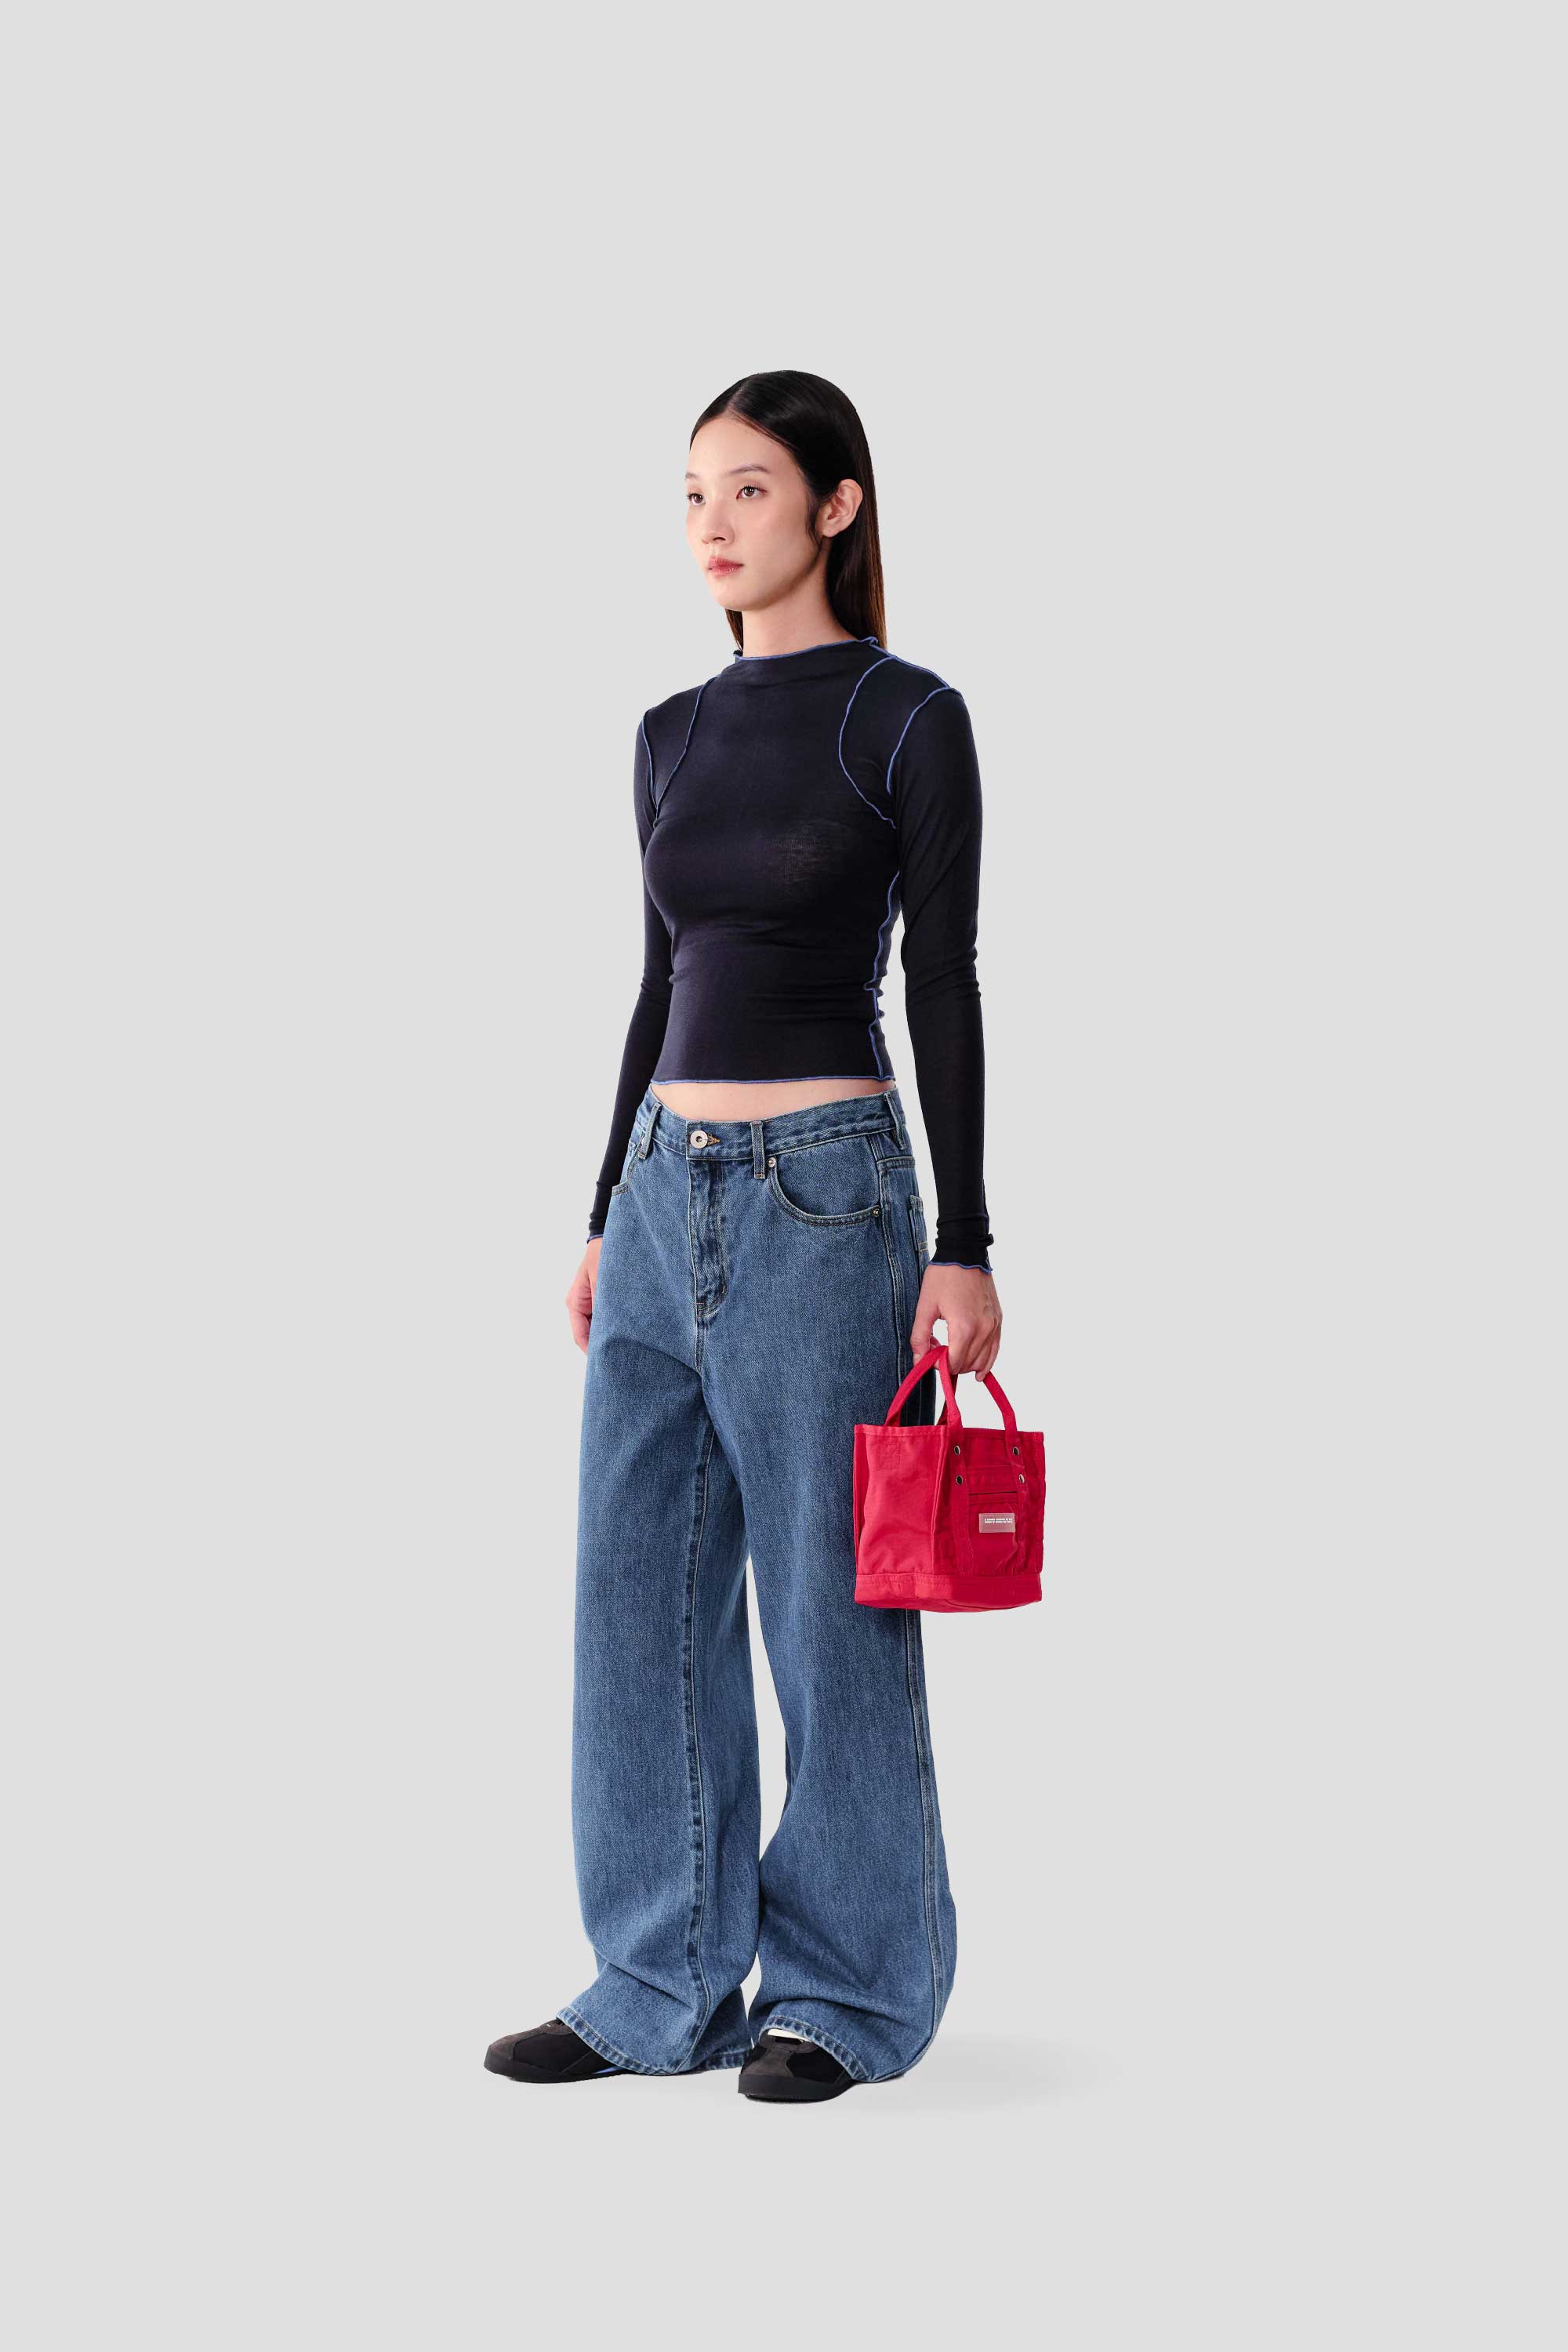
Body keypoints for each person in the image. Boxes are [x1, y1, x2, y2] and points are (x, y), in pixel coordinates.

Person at [485, 370, 1000, 2105]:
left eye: (751, 489)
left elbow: (944, 979)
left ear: (837, 508)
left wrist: (966, 1240)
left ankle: (848, 1995)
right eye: (693, 493)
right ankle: (660, 1980)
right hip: (658, 1191)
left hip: (827, 1198)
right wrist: (599, 1214)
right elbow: (658, 982)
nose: (712, 524)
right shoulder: (667, 733)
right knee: (633, 1597)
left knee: (831, 1605)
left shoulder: (907, 717)